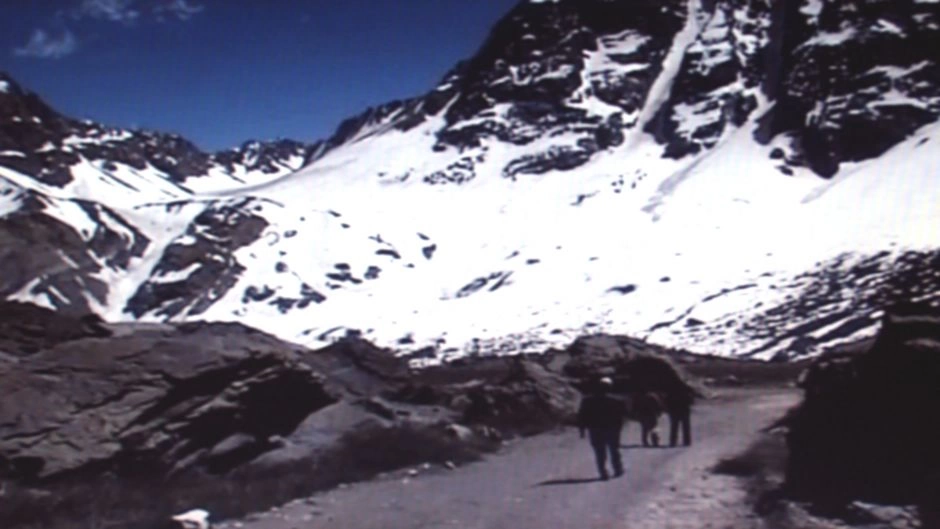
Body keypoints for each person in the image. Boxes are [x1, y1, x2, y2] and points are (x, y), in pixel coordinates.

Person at [577, 377, 627, 480]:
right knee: (614, 449)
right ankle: (618, 469)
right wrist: (619, 427)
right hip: (611, 428)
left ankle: (603, 472)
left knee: (600, 451)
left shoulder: (587, 401)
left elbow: (582, 416)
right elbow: (622, 415)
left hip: (595, 428)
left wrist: (582, 429)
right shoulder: (616, 401)